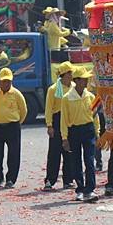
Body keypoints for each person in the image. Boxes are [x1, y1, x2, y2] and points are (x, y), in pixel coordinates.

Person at [0, 68, 28, 189]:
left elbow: (24, 110)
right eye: (3, 81)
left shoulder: (16, 94)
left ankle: (11, 179)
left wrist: (18, 123)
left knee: (14, 154)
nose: (6, 84)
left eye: (8, 81)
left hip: (12, 126)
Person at [60, 67, 100, 202]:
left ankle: (90, 189)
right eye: (84, 79)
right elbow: (64, 119)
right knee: (76, 160)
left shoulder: (91, 96)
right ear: (76, 80)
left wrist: (97, 132)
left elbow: (95, 116)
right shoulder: (67, 98)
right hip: (74, 131)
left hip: (88, 130)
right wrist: (64, 138)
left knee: (89, 160)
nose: (86, 81)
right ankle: (80, 189)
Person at [44, 62, 74, 190]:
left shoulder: (74, 87)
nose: (71, 76)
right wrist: (49, 125)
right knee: (54, 152)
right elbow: (49, 108)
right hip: (57, 120)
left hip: (69, 120)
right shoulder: (54, 89)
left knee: (69, 151)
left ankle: (68, 180)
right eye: (69, 73)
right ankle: (50, 180)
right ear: (63, 75)